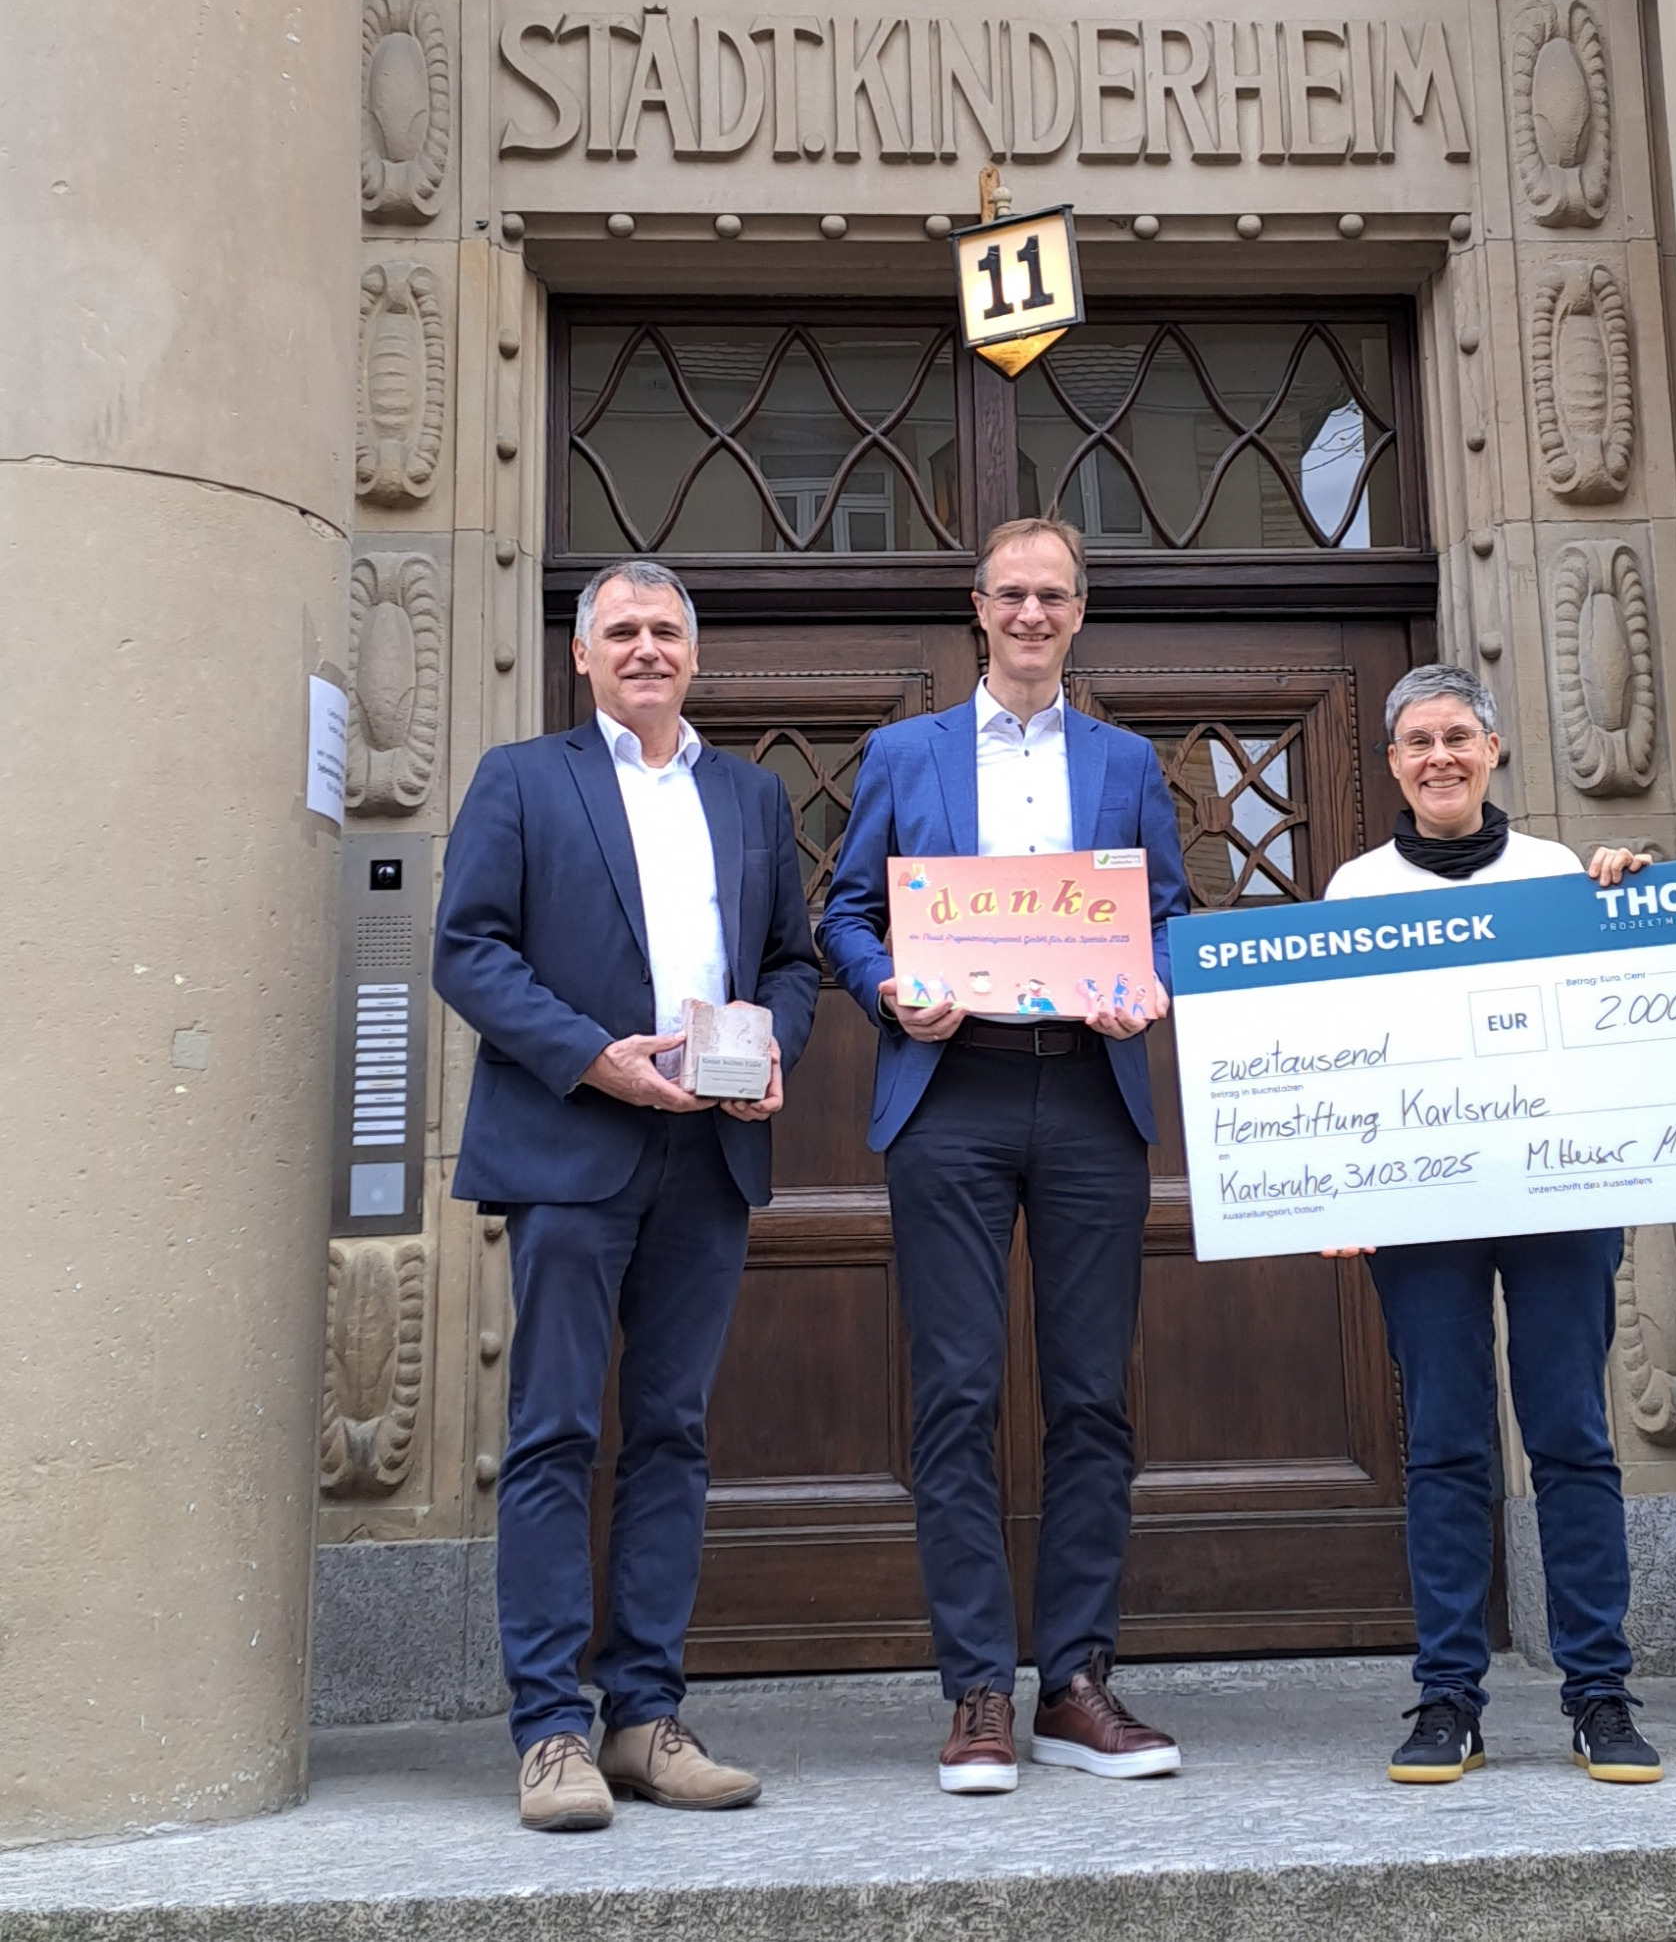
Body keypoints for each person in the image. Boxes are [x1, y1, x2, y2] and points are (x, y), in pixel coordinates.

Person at [435, 559, 820, 1832]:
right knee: (553, 1432)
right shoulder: (521, 780)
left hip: (707, 1155)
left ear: (693, 655)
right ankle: (551, 1730)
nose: (645, 647)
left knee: (671, 1433)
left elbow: (790, 960)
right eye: (622, 630)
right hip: (571, 1146)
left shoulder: (750, 794)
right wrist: (592, 1056)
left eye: (665, 630)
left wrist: (774, 1045)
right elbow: (467, 950)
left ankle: (646, 1717)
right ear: (582, 653)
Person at [818, 516, 1192, 1795]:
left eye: (1054, 596)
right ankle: (977, 1685)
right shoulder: (904, 752)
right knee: (957, 1394)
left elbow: (1168, 917)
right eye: (1011, 594)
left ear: (1079, 614)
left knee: (1090, 1397)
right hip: (952, 1096)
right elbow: (847, 912)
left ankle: (1074, 1683)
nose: (1032, 615)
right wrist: (884, 989)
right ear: (976, 609)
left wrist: (1150, 987)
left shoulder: (1127, 762)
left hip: (1088, 1093)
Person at [1323, 662, 1665, 1788]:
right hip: (1422, 1204)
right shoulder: (1355, 889)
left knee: (1571, 1436)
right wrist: (1334, 1186)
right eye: (1418, 741)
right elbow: (1333, 1056)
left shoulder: (1560, 873)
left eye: (1457, 737)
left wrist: (1624, 902)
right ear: (1392, 764)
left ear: (1493, 750)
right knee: (1446, 1446)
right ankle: (1448, 1699)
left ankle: (1599, 1694)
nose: (1440, 757)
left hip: (1556, 1194)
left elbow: (1621, 1014)